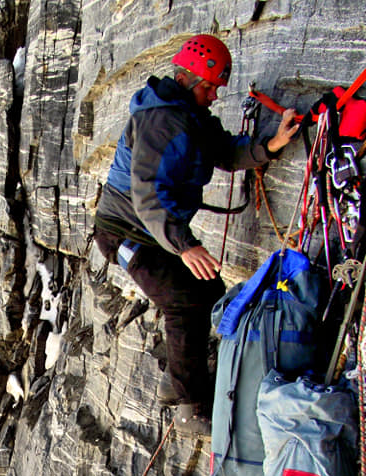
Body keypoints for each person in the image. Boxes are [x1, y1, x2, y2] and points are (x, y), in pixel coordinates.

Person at [94, 33, 300, 437]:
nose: (215, 96)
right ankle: (189, 410)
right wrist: (185, 246)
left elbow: (223, 151)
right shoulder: (160, 121)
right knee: (182, 300)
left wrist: (270, 145)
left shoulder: (189, 116)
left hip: (158, 234)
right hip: (124, 231)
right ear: (189, 78)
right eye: (210, 87)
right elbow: (148, 195)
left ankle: (179, 378)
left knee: (208, 291)